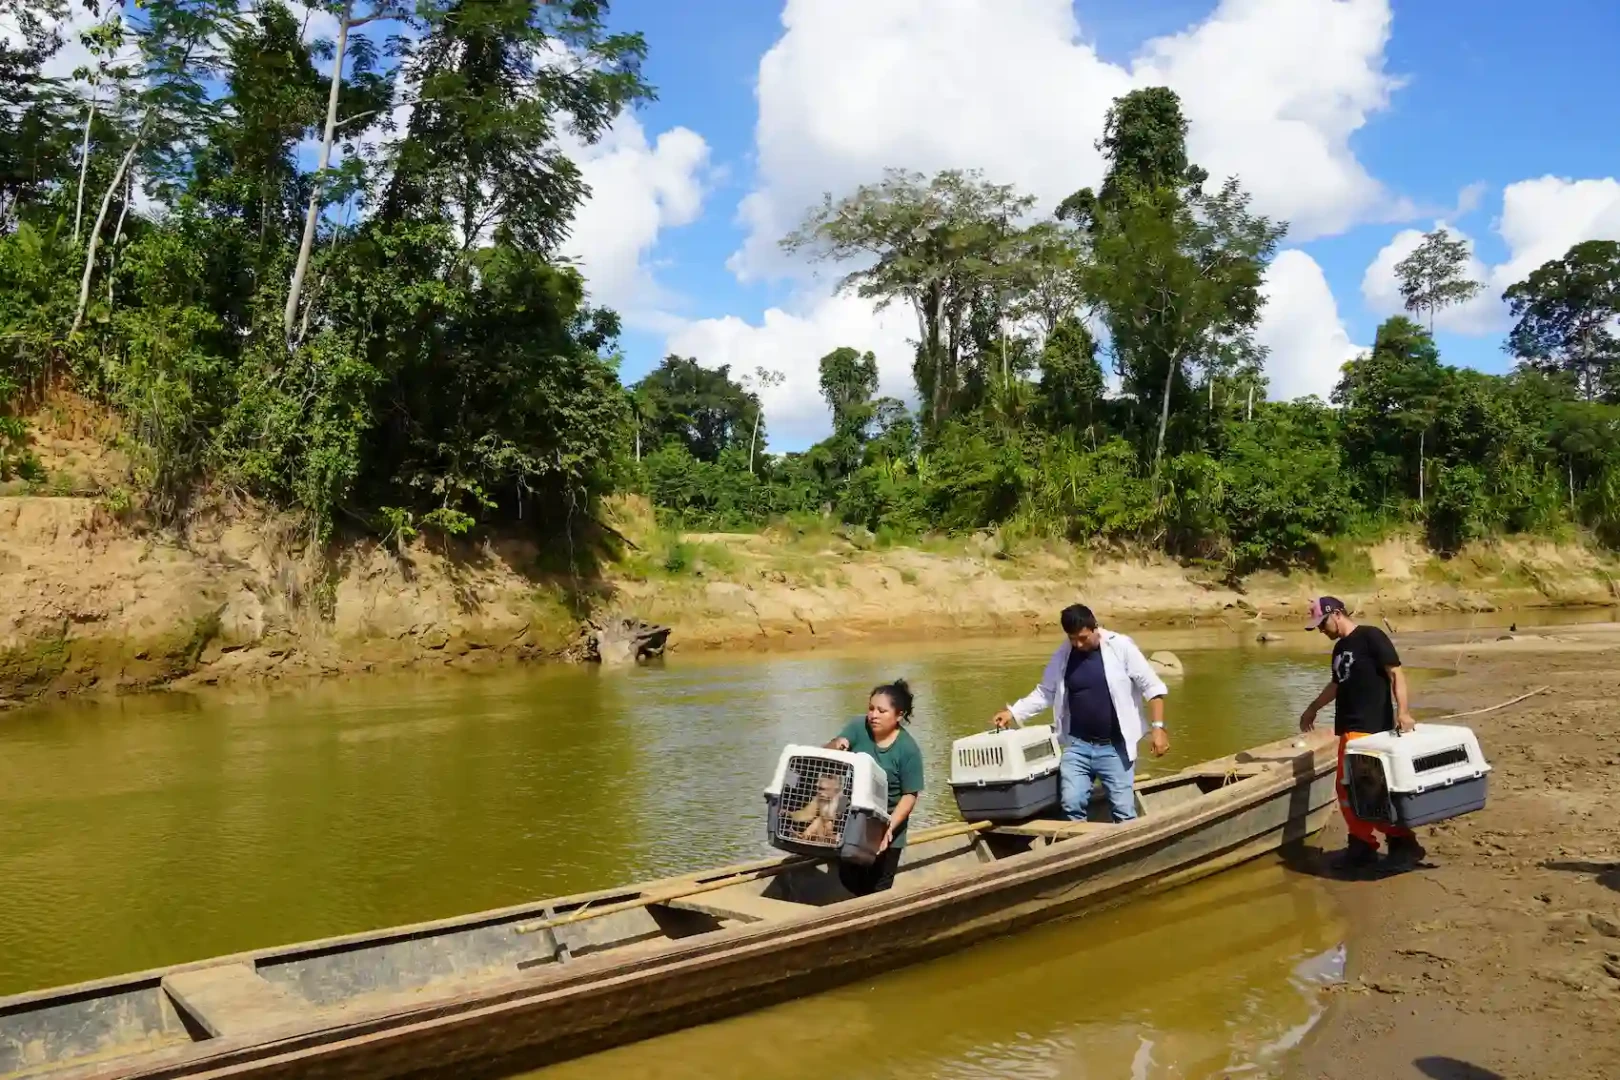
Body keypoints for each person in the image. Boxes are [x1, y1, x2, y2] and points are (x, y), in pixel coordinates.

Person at [991, 604, 1169, 823]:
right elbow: (1047, 691)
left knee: (1123, 810)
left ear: (1095, 627)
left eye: (1083, 638)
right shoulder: (1064, 654)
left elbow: (1152, 688)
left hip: (1115, 746)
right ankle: (1081, 848)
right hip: (1078, 746)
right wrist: (1013, 712)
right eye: (1073, 638)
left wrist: (1158, 728)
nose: (1078, 644)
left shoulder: (1121, 647)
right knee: (1071, 804)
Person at [1298, 596, 1425, 871]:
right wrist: (1312, 708)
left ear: (1337, 614)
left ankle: (1403, 843)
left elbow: (1396, 674)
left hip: (1372, 729)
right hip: (1348, 729)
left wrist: (1403, 712)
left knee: (1372, 789)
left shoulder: (1371, 636)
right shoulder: (1340, 648)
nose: (1320, 630)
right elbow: (1337, 684)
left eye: (1322, 623)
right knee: (1346, 790)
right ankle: (1362, 844)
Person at [825, 679, 925, 896]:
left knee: (879, 888)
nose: (873, 715)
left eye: (882, 710)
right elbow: (832, 747)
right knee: (848, 877)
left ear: (899, 715)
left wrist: (889, 827)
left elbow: (909, 796)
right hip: (853, 819)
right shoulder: (858, 727)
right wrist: (836, 745)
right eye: (871, 709)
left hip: (886, 824)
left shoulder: (908, 750)